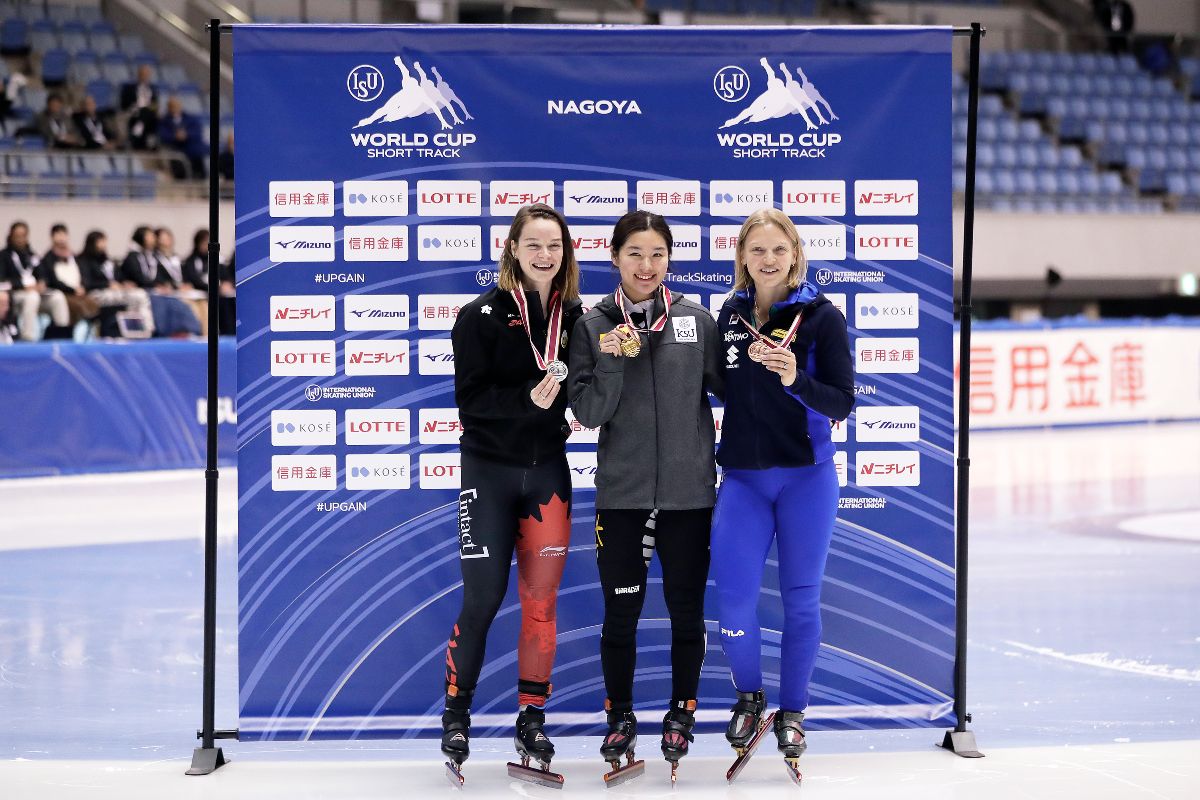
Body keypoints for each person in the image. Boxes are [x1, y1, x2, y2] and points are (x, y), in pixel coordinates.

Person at [567, 211, 723, 780]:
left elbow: (731, 390)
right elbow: (586, 413)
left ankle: (682, 712)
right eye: (635, 253)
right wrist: (611, 357)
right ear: (614, 258)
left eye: (657, 254)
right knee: (622, 612)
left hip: (688, 496)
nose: (646, 265)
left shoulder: (696, 320)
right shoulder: (590, 326)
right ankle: (621, 716)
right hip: (624, 497)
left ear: (669, 260)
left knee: (686, 610)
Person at [438, 203, 584, 784]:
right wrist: (528, 398)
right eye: (534, 245)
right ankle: (456, 714)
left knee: (541, 604)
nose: (545, 255)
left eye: (554, 246)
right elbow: (469, 402)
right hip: (489, 476)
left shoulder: (579, 319)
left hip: (547, 476)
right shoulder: (480, 316)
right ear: (513, 250)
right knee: (482, 600)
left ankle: (531, 716)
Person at [710, 209, 853, 775]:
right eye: (757, 250)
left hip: (806, 479)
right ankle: (751, 696)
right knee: (735, 604)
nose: (768, 260)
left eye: (778, 250)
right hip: (743, 479)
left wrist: (796, 379)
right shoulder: (730, 313)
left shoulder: (821, 317)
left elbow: (841, 401)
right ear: (743, 257)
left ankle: (794, 710)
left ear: (795, 255)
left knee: (800, 600)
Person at [77, 230, 154, 338]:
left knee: (140, 295)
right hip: (97, 293)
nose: (103, 245)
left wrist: (124, 283)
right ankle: (127, 330)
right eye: (100, 241)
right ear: (92, 243)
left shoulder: (107, 260)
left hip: (116, 291)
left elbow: (119, 276)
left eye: (104, 241)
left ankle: (144, 330)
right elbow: (87, 283)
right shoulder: (84, 261)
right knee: (116, 296)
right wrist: (107, 284)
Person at [0, 221, 68, 341]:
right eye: (18, 236)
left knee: (57, 297)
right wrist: (23, 286)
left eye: (23, 236)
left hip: (36, 293)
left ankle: (61, 336)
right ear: (11, 236)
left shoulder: (32, 255)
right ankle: (28, 338)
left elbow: (43, 274)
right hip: (15, 295)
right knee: (32, 297)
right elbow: (3, 281)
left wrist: (42, 283)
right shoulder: (4, 256)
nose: (21, 239)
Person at [38, 223, 100, 327]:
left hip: (80, 292)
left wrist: (83, 287)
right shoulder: (47, 259)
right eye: (58, 235)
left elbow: (85, 273)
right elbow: (53, 280)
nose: (61, 238)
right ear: (52, 237)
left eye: (64, 234)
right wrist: (71, 290)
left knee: (95, 305)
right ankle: (66, 333)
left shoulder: (75, 257)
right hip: (64, 293)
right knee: (76, 306)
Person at [159, 96, 206, 179]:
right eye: (172, 106)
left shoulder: (190, 119)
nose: (174, 108)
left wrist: (186, 134)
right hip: (175, 147)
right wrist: (175, 136)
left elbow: (197, 132)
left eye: (176, 106)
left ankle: (199, 176)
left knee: (198, 150)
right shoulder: (164, 121)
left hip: (190, 146)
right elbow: (162, 135)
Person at [119, 63, 158, 150]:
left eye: (146, 75)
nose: (144, 77)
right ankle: (142, 135)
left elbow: (155, 105)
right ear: (138, 75)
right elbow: (123, 104)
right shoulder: (129, 88)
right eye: (142, 74)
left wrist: (152, 109)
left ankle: (137, 133)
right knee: (144, 111)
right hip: (132, 111)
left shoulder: (153, 89)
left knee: (148, 112)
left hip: (147, 113)